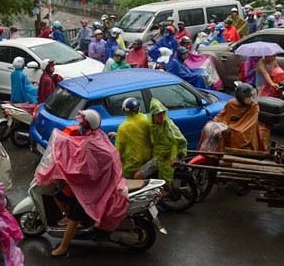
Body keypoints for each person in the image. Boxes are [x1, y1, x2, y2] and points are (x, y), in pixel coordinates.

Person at [34, 109, 128, 259]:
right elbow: (79, 151)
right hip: (102, 180)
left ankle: (63, 247)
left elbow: (83, 171)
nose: (79, 125)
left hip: (93, 186)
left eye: (81, 123)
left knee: (73, 214)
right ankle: (81, 221)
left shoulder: (90, 144)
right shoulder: (98, 135)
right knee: (58, 195)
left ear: (86, 125)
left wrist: (65, 170)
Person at [200, 83, 269, 152]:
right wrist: (213, 123)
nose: (250, 99)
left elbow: (250, 123)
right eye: (247, 98)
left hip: (245, 131)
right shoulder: (231, 103)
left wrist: (234, 130)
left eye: (250, 97)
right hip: (228, 127)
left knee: (238, 136)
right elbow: (221, 115)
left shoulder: (254, 106)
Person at [148, 98, 187, 184]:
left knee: (164, 185)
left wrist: (177, 158)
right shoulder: (151, 126)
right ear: (153, 116)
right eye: (158, 115)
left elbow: (182, 142)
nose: (162, 117)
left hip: (167, 159)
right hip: (157, 157)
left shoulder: (169, 127)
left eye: (163, 114)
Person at [112, 98, 152, 179]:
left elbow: (120, 149)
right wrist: (118, 135)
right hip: (149, 157)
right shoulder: (145, 118)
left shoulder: (123, 127)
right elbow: (140, 135)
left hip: (133, 162)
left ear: (125, 111)